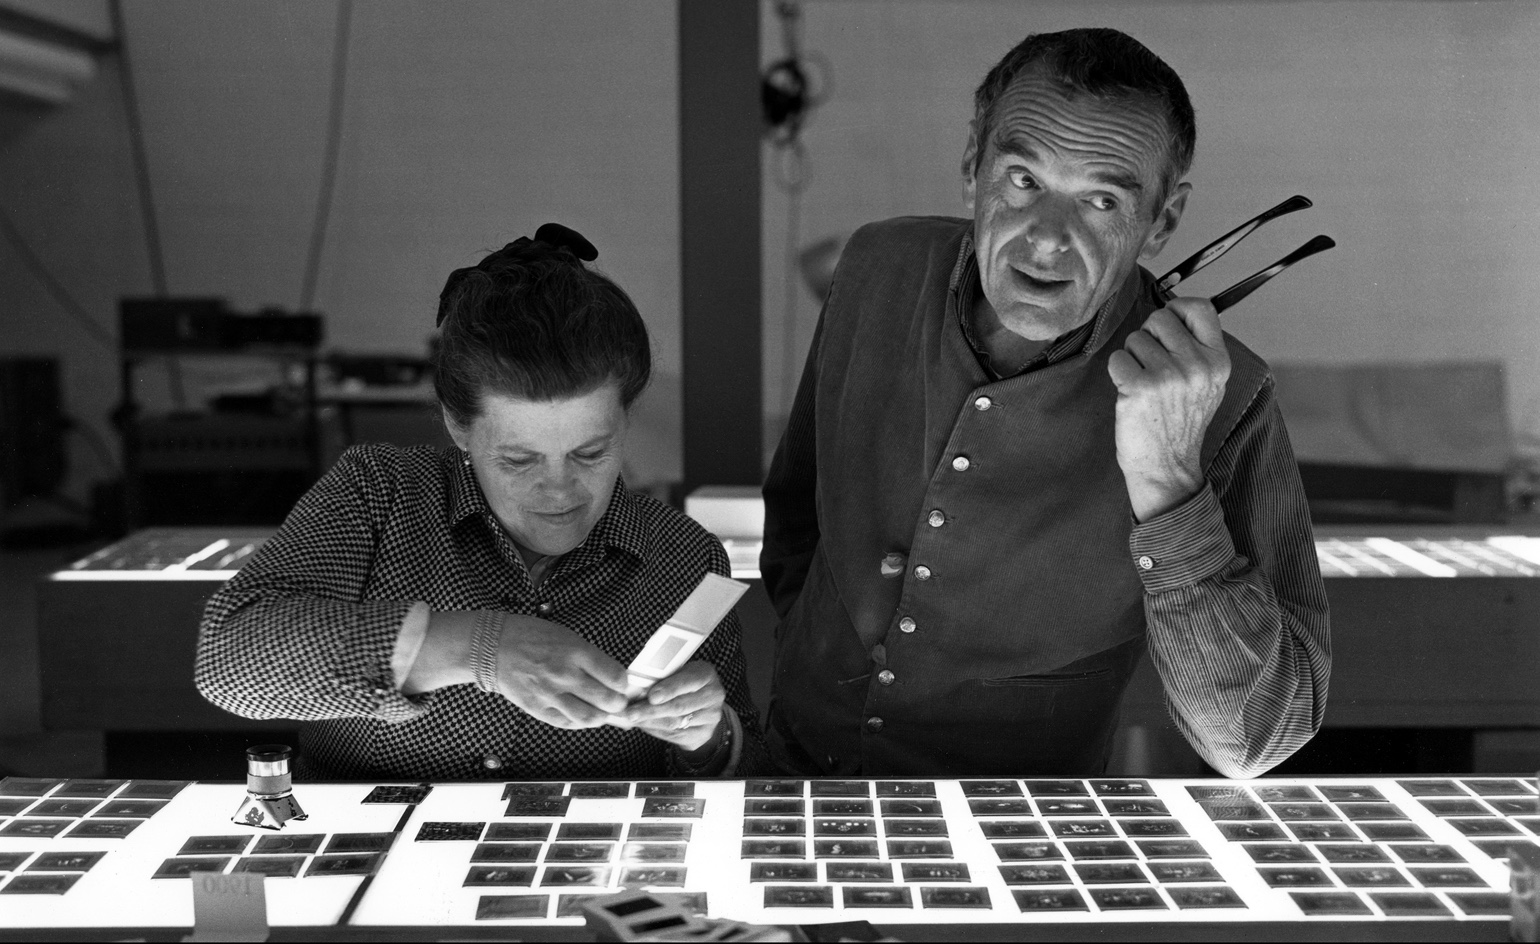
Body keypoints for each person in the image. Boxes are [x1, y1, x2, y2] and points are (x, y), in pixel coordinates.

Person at [761, 28, 1330, 779]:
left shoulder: (1231, 398)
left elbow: (1255, 740)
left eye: (1100, 200)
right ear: (973, 167)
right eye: (1024, 180)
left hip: (1019, 835)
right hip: (789, 784)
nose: (1048, 239)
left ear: (1161, 221)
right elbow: (798, 518)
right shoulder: (875, 267)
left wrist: (1169, 484)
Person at [197, 224, 766, 780]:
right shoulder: (379, 495)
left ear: (625, 419)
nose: (560, 489)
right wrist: (480, 646)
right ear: (457, 425)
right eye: (519, 460)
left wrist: (705, 736)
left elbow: (742, 771)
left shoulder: (686, 560)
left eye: (591, 453)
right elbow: (228, 658)